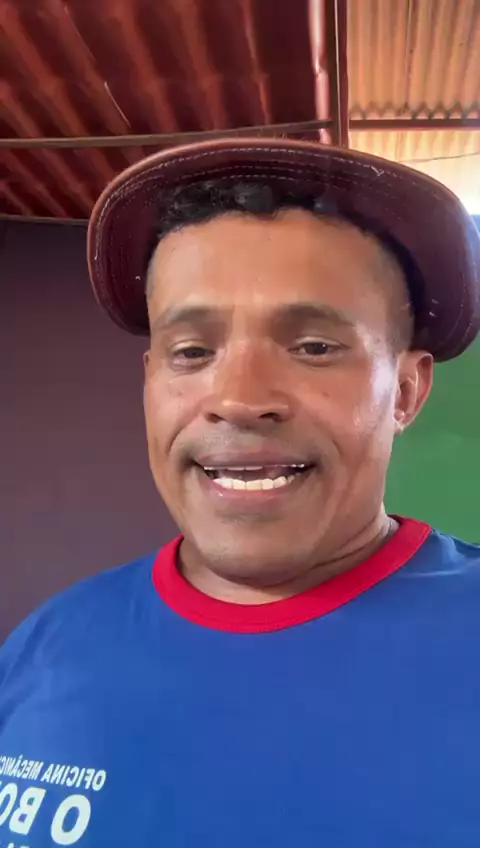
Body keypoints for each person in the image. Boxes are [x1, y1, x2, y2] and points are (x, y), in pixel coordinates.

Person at [1, 138, 479, 847]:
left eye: (314, 347)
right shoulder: (47, 641)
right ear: (150, 381)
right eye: (192, 352)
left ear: (406, 390)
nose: (238, 399)